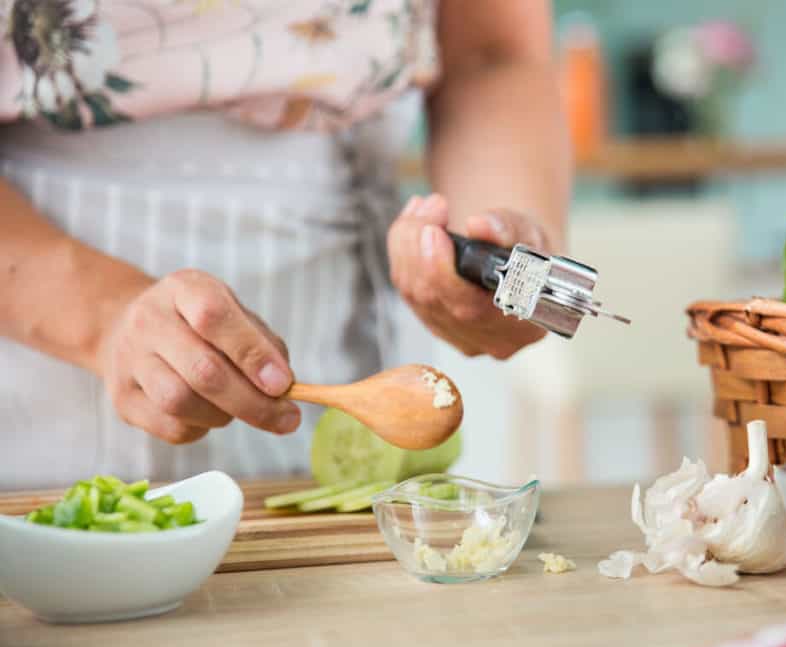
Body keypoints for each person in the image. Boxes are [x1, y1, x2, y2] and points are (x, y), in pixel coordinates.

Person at [0, 0, 570, 489]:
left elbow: (493, 56)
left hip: (337, 295)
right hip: (31, 331)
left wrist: (502, 237)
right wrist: (103, 317)